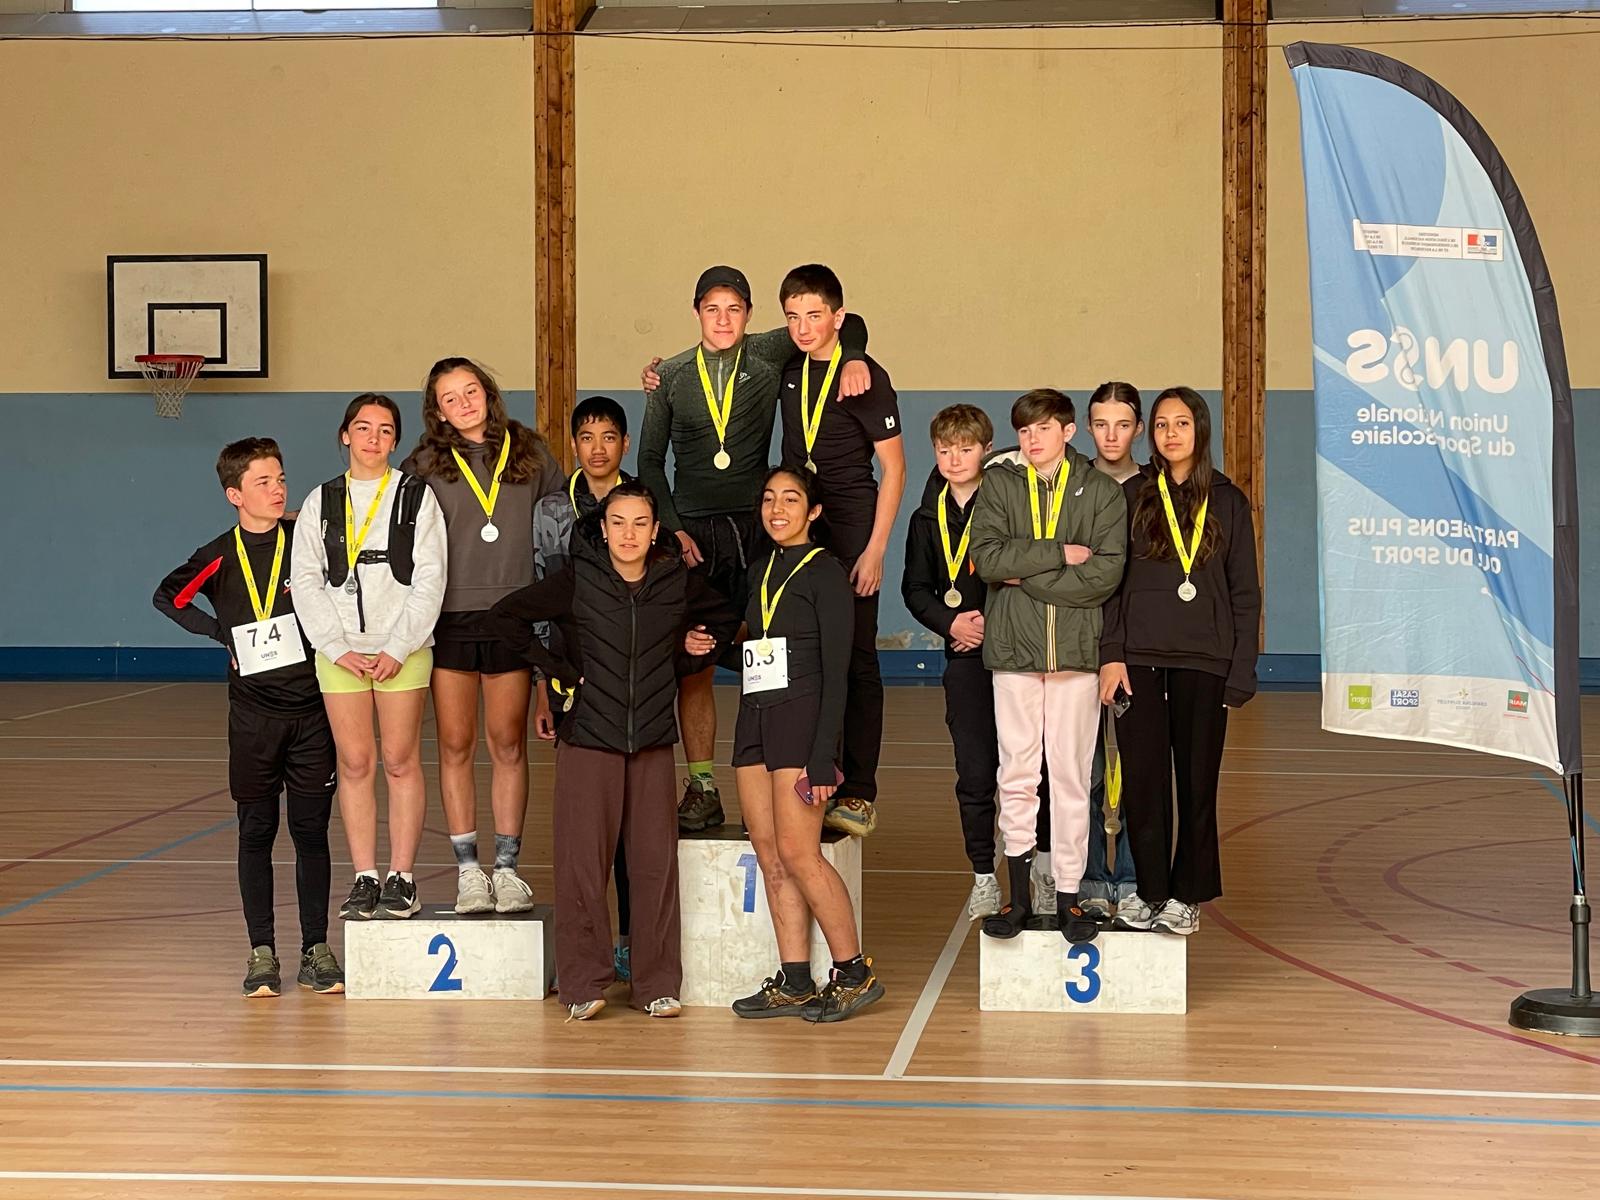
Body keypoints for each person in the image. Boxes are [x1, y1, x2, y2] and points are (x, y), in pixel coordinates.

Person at [490, 482, 740, 1020]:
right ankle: (583, 983)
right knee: (582, 865)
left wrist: (686, 656)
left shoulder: (675, 580)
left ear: (655, 530)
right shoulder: (578, 579)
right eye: (619, 522)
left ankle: (657, 984)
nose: (629, 534)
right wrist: (559, 670)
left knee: (654, 868)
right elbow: (506, 617)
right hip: (588, 738)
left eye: (640, 523)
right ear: (603, 529)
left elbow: (724, 619)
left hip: (652, 740)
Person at [638, 266, 870, 834]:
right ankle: (703, 786)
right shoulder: (670, 376)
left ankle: (775, 786)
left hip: (754, 528)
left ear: (748, 314)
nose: (723, 320)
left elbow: (850, 321)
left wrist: (855, 357)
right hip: (693, 535)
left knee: (767, 654)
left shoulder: (767, 351)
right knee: (694, 660)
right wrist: (675, 529)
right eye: (712, 309)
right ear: (696, 312)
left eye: (734, 309)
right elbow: (648, 461)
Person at [153, 437, 343, 997]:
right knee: (256, 832)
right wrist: (223, 634)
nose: (278, 489)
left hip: (313, 713)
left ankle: (316, 949)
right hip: (254, 718)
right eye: (263, 482)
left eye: (280, 478)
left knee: (311, 833)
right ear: (234, 494)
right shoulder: (217, 554)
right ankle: (262, 952)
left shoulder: (305, 543)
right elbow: (169, 597)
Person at [402, 356, 563, 914]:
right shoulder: (424, 463)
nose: (463, 403)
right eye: (450, 398)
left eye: (470, 391)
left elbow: (558, 531)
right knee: (455, 745)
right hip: (450, 618)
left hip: (512, 615)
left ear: (488, 393)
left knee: (508, 744)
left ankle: (508, 869)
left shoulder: (531, 452)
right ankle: (469, 872)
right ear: (438, 411)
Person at [1099, 387, 1260, 936]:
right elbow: (1112, 584)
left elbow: (1245, 593)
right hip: (1138, 660)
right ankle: (1149, 891)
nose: (1171, 433)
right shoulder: (1132, 495)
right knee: (1143, 784)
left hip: (1206, 660)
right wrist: (1111, 655)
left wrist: (1241, 668)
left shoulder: (1229, 500)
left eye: (1182, 423)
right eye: (1163, 424)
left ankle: (1187, 895)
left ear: (1201, 430)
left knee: (1196, 784)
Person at [969, 389, 1127, 945]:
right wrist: (1060, 553)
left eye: (1043, 429)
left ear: (1068, 431)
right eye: (1024, 430)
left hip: (1076, 655)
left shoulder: (1102, 491)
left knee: (1071, 777)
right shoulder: (998, 483)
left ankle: (1068, 899)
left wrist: (1024, 577)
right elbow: (986, 559)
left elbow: (1105, 574)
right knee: (1016, 773)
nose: (1032, 439)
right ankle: (1018, 899)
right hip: (1014, 651)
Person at [730, 466, 884, 1022]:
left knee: (800, 853)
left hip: (802, 720)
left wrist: (824, 756)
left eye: (791, 499)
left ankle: (854, 972)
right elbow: (757, 647)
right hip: (755, 718)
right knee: (770, 855)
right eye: (769, 498)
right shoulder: (759, 570)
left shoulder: (826, 573)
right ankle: (795, 979)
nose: (777, 509)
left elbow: (839, 673)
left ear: (813, 512)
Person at [290, 394, 447, 921]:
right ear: (345, 435)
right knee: (355, 763)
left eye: (384, 430)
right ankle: (365, 876)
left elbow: (431, 578)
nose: (373, 438)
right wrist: (336, 648)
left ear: (395, 440)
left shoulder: (417, 497)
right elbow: (306, 581)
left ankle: (402, 877)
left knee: (400, 761)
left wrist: (398, 646)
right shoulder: (321, 500)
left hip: (403, 651)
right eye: (363, 427)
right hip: (341, 656)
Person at [901, 404, 1055, 920]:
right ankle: (984, 876)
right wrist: (951, 625)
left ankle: (1043, 870)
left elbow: (1025, 570)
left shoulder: (1010, 506)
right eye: (944, 450)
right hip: (963, 657)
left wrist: (995, 619)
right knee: (974, 771)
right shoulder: (926, 518)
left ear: (987, 451)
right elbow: (914, 589)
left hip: (1015, 651)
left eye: (965, 449)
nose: (954, 459)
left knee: (1032, 766)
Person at [776, 265, 905, 839]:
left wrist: (875, 550)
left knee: (855, 655)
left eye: (814, 316)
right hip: (801, 522)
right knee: (805, 651)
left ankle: (859, 791)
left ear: (837, 316)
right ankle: (811, 772)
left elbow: (895, 469)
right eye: (793, 317)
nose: (804, 328)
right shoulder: (789, 368)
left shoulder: (865, 377)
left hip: (853, 529)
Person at [530, 394, 640, 978]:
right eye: (587, 437)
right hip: (573, 678)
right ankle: (588, 948)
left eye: (609, 437)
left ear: (625, 443)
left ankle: (631, 942)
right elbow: (541, 600)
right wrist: (544, 685)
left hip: (634, 679)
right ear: (573, 445)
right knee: (587, 823)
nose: (598, 449)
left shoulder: (642, 502)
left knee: (633, 828)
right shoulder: (552, 510)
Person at [1079, 381, 1144, 918]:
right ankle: (1090, 879)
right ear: (1087, 427)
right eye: (1101, 424)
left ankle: (1134, 879)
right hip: (1078, 643)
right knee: (1085, 772)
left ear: (1138, 430)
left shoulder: (1154, 490)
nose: (1111, 435)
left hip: (1137, 646)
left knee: (1136, 768)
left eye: (1122, 425)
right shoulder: (1072, 484)